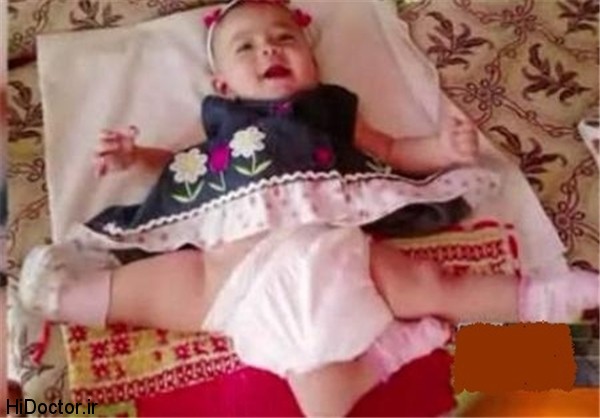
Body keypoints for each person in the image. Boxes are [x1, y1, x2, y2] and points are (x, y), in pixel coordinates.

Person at [19, 0, 598, 416]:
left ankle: (554, 297)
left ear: (313, 64)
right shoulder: (222, 130)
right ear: (223, 85)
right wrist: (135, 158)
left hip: (333, 252)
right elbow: (183, 170)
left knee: (430, 285)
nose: (269, 48)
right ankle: (384, 357)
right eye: (247, 47)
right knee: (318, 399)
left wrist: (443, 149)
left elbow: (392, 149)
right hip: (225, 281)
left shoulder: (328, 112)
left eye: (285, 38)